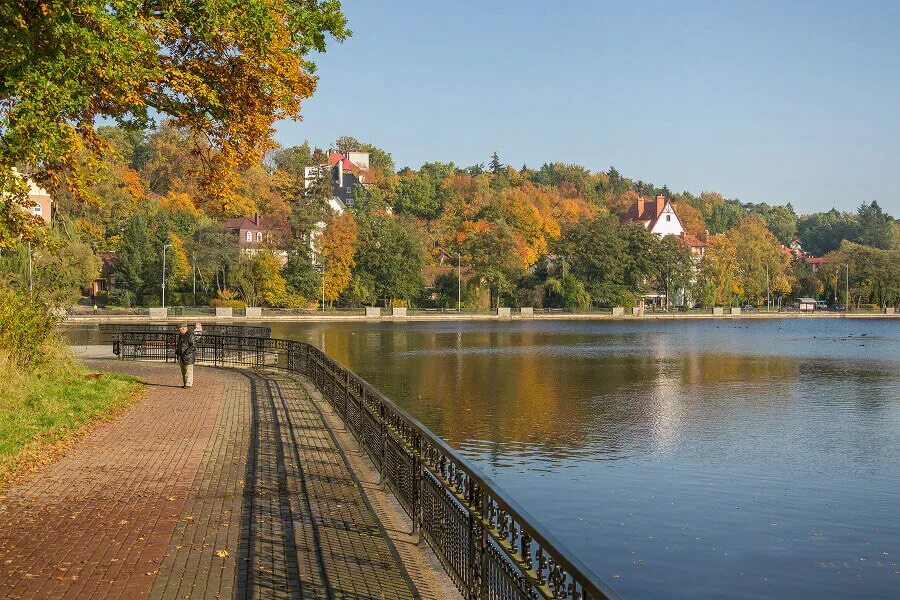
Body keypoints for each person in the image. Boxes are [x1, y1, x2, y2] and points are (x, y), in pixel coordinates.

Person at [175, 323, 196, 389]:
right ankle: (185, 383)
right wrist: (178, 352)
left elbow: (193, 346)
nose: (179, 331)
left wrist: (186, 353)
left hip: (188, 356)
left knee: (188, 370)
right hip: (182, 356)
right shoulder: (181, 335)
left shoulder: (190, 334)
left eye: (180, 329)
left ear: (184, 328)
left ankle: (188, 384)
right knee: (183, 371)